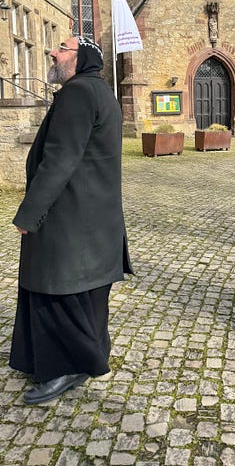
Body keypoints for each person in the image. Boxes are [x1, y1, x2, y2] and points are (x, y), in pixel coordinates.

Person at [10, 35, 133, 405]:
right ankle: (86, 354)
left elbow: (60, 160)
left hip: (70, 219)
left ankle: (65, 367)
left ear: (81, 59)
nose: (52, 51)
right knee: (86, 296)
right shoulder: (100, 92)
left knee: (57, 292)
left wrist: (29, 213)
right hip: (93, 220)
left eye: (61, 48)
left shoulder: (78, 93)